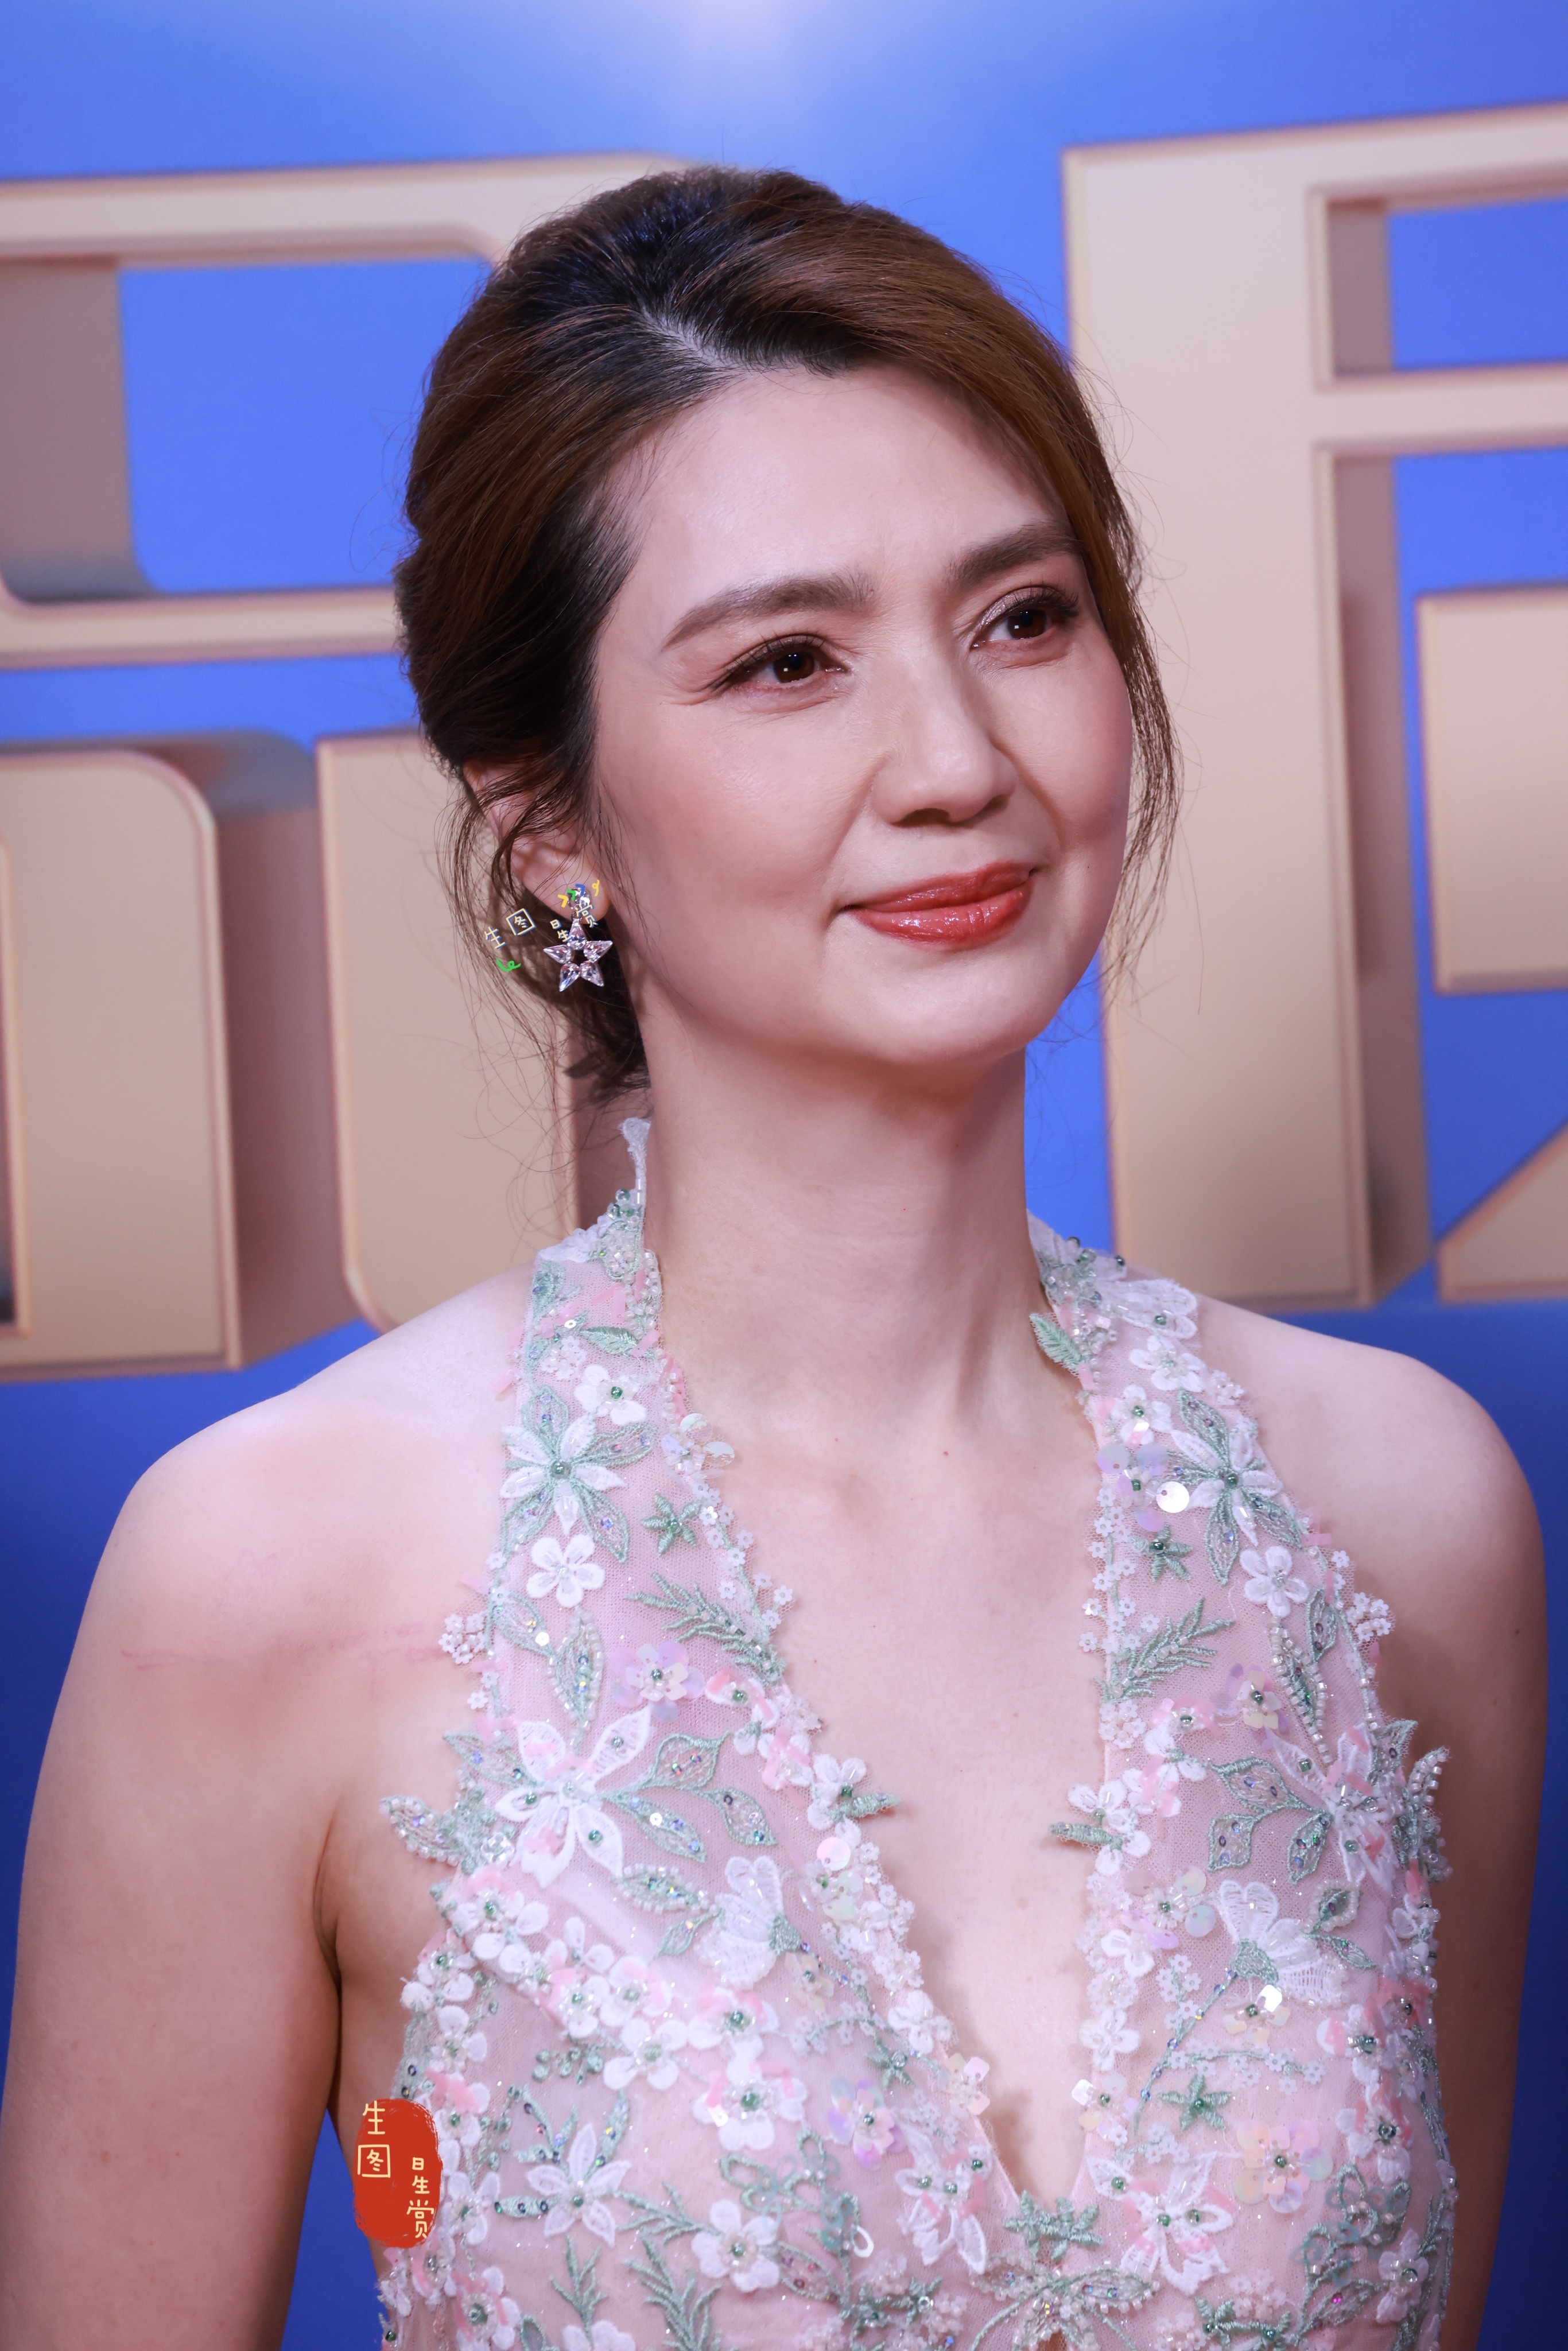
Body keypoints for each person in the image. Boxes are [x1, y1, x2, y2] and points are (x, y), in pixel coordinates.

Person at [0, 169, 1543, 2351]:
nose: (956, 763)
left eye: (1022, 617)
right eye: (786, 663)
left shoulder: (1402, 1511)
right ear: (548, 820)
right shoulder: (264, 1573)